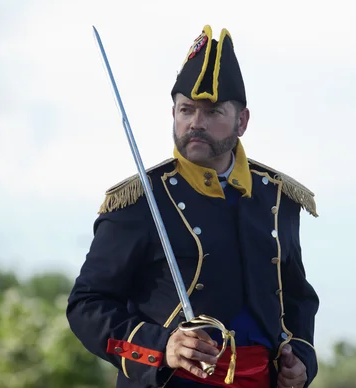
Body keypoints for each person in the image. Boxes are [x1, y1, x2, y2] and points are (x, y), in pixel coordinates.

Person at [66, 24, 320, 388]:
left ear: (242, 121)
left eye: (212, 112)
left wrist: (303, 363)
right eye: (186, 110)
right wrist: (159, 348)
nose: (195, 124)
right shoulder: (139, 200)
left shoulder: (277, 198)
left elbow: (297, 297)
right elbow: (86, 305)